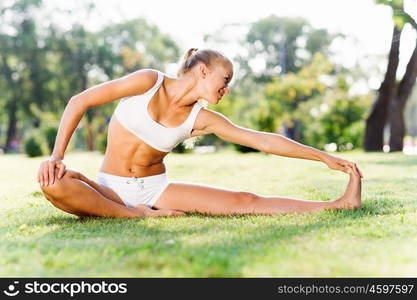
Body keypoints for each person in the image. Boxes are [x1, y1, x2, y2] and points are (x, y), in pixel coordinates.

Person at [38, 48, 363, 218]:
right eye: (225, 79)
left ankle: (338, 205)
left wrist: (324, 158)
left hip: (156, 191)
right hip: (109, 187)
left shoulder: (202, 118)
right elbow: (79, 101)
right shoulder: (148, 82)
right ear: (203, 71)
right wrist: (56, 156)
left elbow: (262, 140)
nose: (227, 88)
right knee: (54, 183)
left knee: (245, 201)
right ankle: (133, 216)